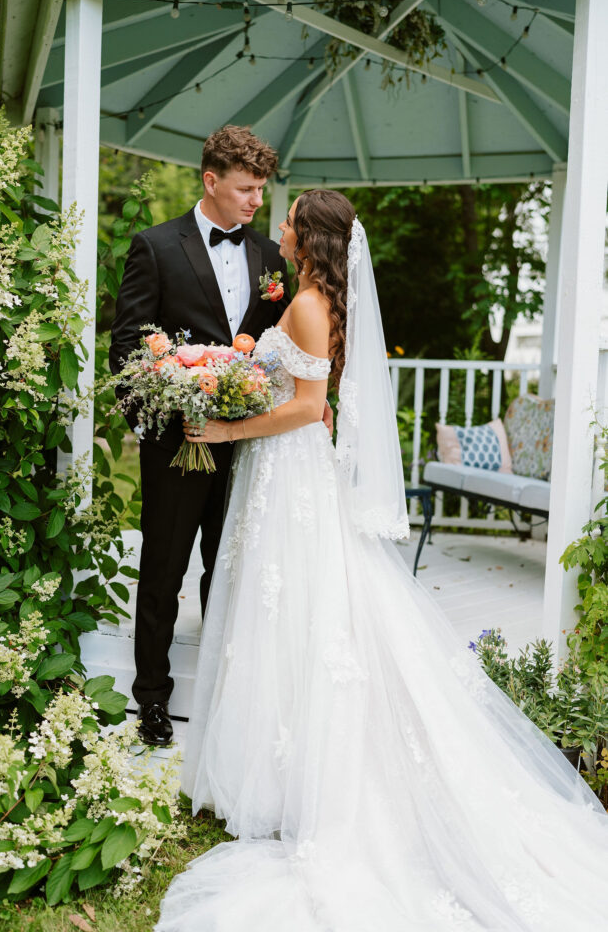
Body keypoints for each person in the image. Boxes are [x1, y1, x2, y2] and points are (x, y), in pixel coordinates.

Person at [156, 189, 608, 931]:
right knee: (289, 610)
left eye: (289, 216)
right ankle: (271, 773)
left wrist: (227, 429)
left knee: (290, 610)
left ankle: (283, 782)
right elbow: (318, 397)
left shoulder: (306, 304)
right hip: (290, 469)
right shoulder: (316, 298)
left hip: (286, 468)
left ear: (310, 235)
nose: (278, 224)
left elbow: (305, 405)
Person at [110, 126, 293, 747]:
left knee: (231, 570)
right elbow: (128, 346)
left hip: (247, 444)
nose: (254, 202)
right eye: (245, 189)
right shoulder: (156, 246)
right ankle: (153, 701)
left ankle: (223, 694)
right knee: (163, 572)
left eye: (261, 191)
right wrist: (156, 427)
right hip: (176, 445)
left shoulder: (270, 258)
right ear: (210, 181)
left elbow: (271, 349)